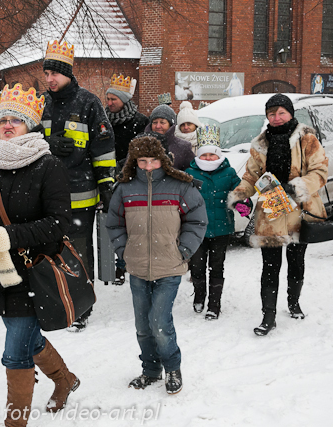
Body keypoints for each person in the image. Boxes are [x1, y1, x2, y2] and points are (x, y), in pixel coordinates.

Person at [0, 83, 78, 427]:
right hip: (0, 272)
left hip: (34, 272)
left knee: (15, 351)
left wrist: (10, 235)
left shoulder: (49, 166)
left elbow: (59, 223)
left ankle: (15, 422)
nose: (7, 125)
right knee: (28, 337)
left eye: (15, 120)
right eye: (2, 120)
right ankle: (64, 379)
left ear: (29, 125)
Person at [107, 135, 207, 395]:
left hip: (169, 266)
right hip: (138, 267)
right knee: (143, 327)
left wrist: (183, 250)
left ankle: (172, 368)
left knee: (159, 323)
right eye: (142, 161)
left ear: (162, 159)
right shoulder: (125, 188)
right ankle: (151, 371)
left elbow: (197, 220)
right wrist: (124, 251)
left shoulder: (180, 186)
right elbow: (114, 223)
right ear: (134, 162)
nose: (148, 166)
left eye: (153, 160)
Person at [227, 94, 329, 336]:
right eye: (272, 113)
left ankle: (294, 303)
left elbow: (320, 171)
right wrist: (240, 195)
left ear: (291, 113)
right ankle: (268, 316)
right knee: (270, 266)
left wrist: (296, 187)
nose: (277, 117)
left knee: (296, 261)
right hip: (271, 212)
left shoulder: (307, 138)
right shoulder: (260, 144)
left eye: (281, 112)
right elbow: (251, 177)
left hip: (300, 210)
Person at [41, 39, 116, 331]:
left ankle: (82, 304)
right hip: (47, 194)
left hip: (81, 193)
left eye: (55, 74)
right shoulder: (41, 102)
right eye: (47, 73)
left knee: (80, 250)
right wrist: (47, 142)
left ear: (68, 74)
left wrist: (106, 185)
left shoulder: (88, 103)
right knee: (51, 248)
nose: (50, 79)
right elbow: (24, 138)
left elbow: (103, 147)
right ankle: (60, 297)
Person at [185, 125, 250, 319]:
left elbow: (240, 192)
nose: (208, 159)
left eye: (212, 155)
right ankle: (199, 295)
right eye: (204, 155)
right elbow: (182, 197)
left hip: (221, 229)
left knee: (217, 266)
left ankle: (214, 304)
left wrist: (243, 203)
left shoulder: (228, 172)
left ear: (218, 155)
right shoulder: (190, 173)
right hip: (196, 230)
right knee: (197, 266)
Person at [105, 74, 149, 163]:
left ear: (124, 100)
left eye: (113, 99)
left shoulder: (141, 122)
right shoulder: (102, 120)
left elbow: (143, 152)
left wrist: (122, 166)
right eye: (108, 99)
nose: (109, 103)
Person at [142, 104, 194, 170]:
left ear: (171, 125)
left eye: (162, 122)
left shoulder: (183, 147)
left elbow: (191, 172)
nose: (158, 126)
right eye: (155, 122)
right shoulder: (140, 145)